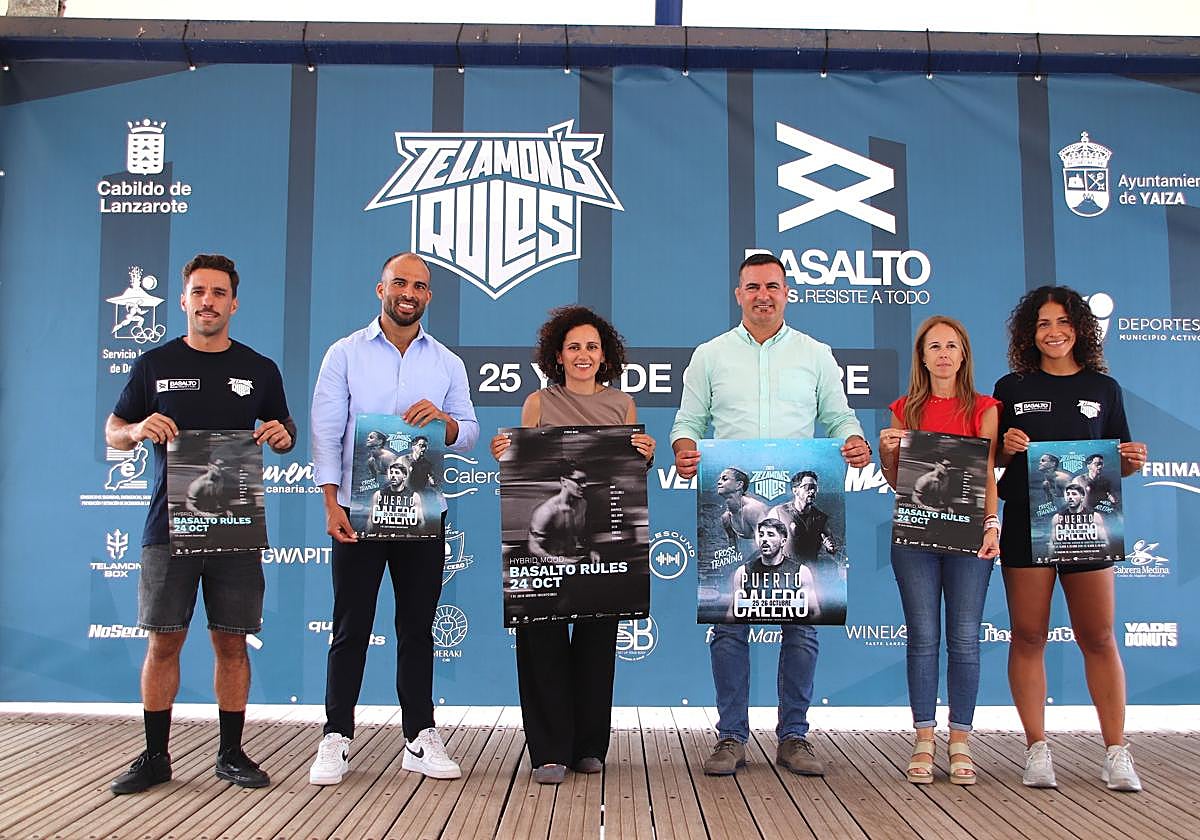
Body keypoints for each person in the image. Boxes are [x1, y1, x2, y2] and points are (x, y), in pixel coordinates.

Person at [671, 252, 871, 777]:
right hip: (741, 517)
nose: (764, 295)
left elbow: (840, 417)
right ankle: (731, 737)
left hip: (794, 515)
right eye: (754, 287)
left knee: (802, 628)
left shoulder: (816, 354)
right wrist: (685, 449)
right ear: (739, 294)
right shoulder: (710, 355)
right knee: (729, 627)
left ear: (787, 293)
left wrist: (853, 439)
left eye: (773, 286)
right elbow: (687, 422)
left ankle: (794, 737)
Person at [104, 254, 296, 794]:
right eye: (198, 292)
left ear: (234, 303)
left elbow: (284, 429)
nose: (208, 301)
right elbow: (114, 430)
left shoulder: (259, 368)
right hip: (168, 527)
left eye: (218, 293)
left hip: (234, 525)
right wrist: (136, 429)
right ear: (183, 300)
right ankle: (154, 757)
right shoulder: (153, 364)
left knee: (231, 644)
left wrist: (283, 436)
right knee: (163, 643)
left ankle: (231, 753)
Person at [308, 252, 479, 786]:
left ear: (428, 296)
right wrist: (330, 503)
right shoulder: (345, 353)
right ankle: (336, 735)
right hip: (357, 510)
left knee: (417, 628)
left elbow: (469, 433)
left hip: (422, 511)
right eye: (399, 283)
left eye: (419, 286)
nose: (409, 293)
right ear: (380, 289)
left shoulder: (447, 362)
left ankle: (420, 736)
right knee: (351, 625)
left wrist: (445, 421)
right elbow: (326, 431)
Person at [490, 305, 655, 786]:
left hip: (596, 556)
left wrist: (645, 457)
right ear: (558, 356)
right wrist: (505, 453)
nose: (584, 354)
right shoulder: (537, 403)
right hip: (545, 561)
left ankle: (588, 746)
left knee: (596, 644)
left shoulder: (622, 405)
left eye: (592, 347)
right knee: (540, 642)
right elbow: (523, 465)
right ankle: (548, 750)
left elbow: (627, 475)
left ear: (605, 356)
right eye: (574, 347)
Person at [994, 285, 1148, 792]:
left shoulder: (1105, 388)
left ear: (1080, 328)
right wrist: (1007, 447)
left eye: (1063, 322)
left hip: (1089, 528)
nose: (1054, 332)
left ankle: (1117, 751)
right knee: (1028, 636)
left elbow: (1119, 462)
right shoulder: (1011, 387)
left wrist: (1131, 461)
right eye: (1043, 323)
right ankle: (1036, 748)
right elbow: (991, 459)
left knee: (1098, 637)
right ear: (1029, 333)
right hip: (1027, 522)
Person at [878, 315, 1000, 786]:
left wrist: (991, 525)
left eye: (951, 345)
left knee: (965, 638)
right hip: (916, 538)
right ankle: (924, 738)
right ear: (923, 358)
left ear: (963, 354)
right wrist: (888, 451)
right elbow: (898, 481)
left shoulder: (985, 408)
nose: (944, 354)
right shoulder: (904, 408)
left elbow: (986, 472)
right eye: (934, 346)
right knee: (923, 637)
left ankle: (962, 739)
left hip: (969, 538)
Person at [727, 519, 821, 622]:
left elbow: (814, 612)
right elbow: (732, 613)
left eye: (770, 535)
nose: (764, 539)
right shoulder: (743, 572)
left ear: (783, 541)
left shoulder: (801, 572)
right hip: (755, 630)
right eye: (761, 535)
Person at [528, 462, 594, 559]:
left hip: (573, 561)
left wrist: (591, 551)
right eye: (579, 481)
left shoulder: (583, 504)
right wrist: (560, 562)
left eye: (585, 481)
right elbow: (534, 548)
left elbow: (580, 536)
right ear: (563, 481)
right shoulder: (547, 511)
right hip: (550, 564)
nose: (584, 485)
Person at [1048, 481, 1108, 561]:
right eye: (1068, 494)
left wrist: (1108, 557)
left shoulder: (1095, 517)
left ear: (1082, 497)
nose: (1070, 497)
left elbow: (1104, 542)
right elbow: (1052, 543)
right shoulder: (1058, 518)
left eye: (1074, 494)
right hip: (1066, 561)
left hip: (1090, 560)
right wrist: (1049, 559)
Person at [716, 467, 768, 556]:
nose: (719, 482)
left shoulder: (752, 509)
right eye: (720, 479)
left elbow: (765, 542)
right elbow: (733, 550)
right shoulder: (726, 518)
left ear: (739, 485)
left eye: (724, 479)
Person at [367, 460, 423, 533]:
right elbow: (371, 520)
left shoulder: (414, 496)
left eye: (397, 473)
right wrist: (366, 536)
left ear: (404, 476)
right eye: (391, 472)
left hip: (405, 536)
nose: (393, 475)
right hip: (384, 536)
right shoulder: (378, 495)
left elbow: (421, 521)